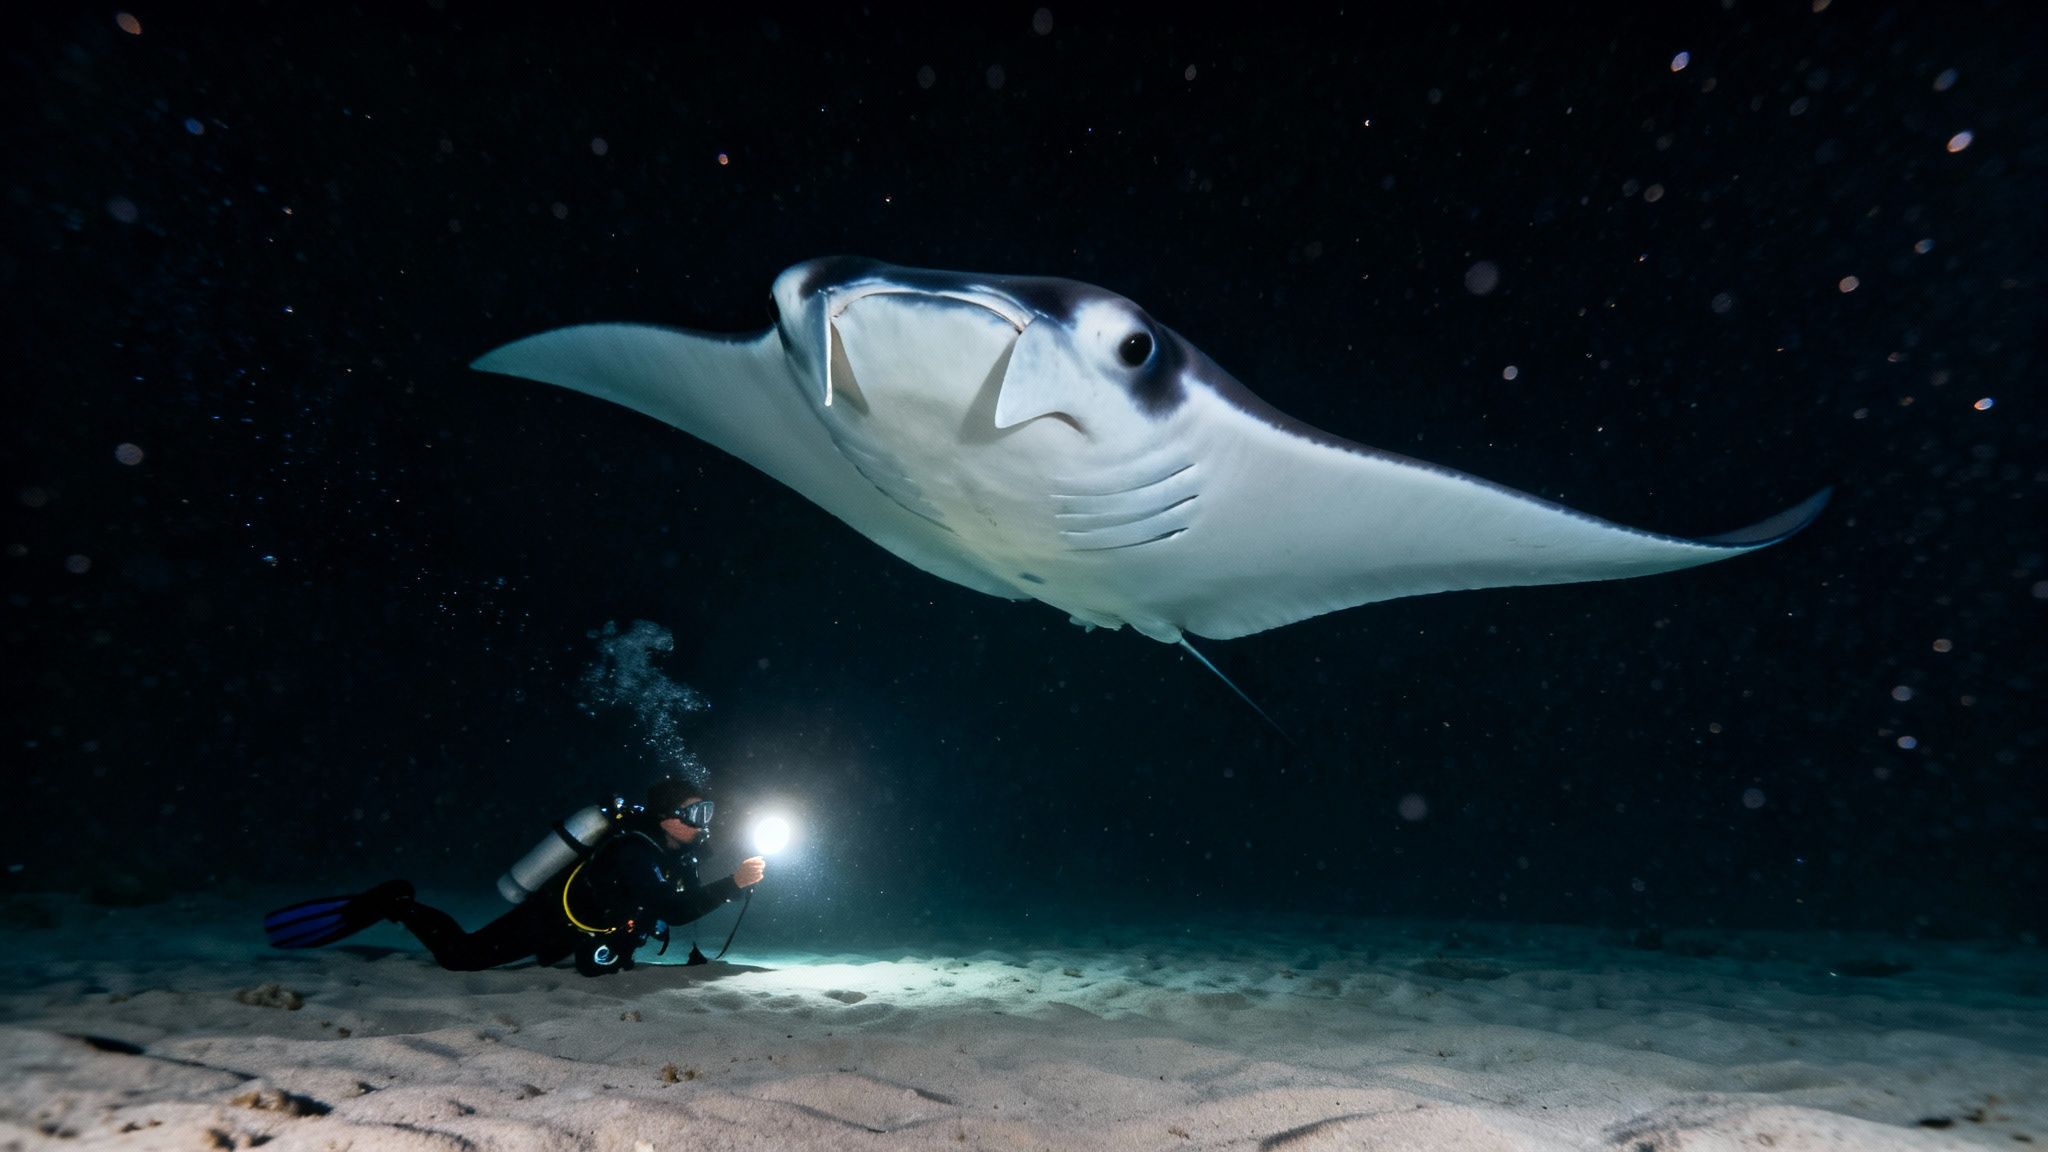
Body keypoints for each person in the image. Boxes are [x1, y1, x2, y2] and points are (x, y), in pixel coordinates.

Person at [262, 777, 766, 976]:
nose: (704, 824)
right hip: (553, 918)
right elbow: (675, 911)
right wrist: (734, 884)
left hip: (586, 932)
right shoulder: (638, 850)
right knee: (462, 958)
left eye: (708, 813)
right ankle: (398, 903)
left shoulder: (674, 857)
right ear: (664, 817)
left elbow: (670, 907)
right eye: (694, 814)